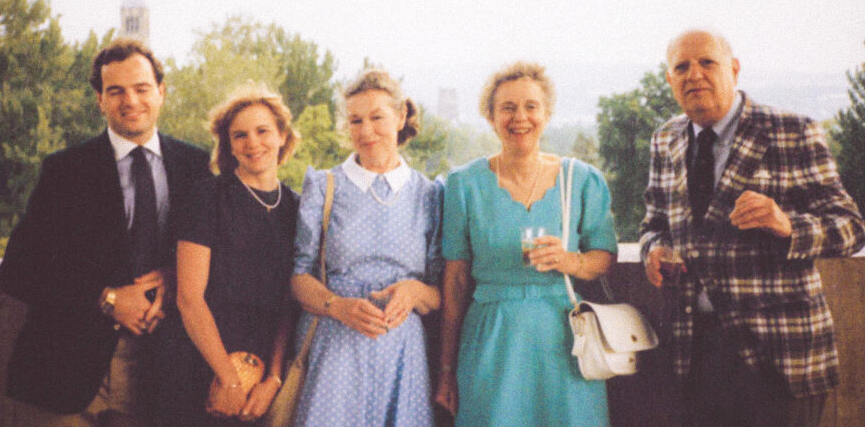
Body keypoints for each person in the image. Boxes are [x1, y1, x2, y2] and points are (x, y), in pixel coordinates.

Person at [639, 30, 865, 427]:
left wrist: (787, 224)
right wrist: (653, 250)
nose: (694, 74)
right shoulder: (665, 140)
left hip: (779, 356)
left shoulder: (791, 130)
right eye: (681, 67)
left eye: (706, 62)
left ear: (734, 68)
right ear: (670, 80)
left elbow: (851, 229)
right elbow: (653, 222)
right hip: (693, 353)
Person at [0, 37, 212, 426]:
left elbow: (222, 255)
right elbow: (17, 271)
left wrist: (178, 273)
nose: (130, 101)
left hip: (171, 367)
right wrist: (107, 297)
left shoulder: (196, 166)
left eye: (142, 88)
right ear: (99, 99)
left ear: (161, 92)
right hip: (80, 369)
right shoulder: (65, 171)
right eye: (116, 91)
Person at [435, 61, 618, 427]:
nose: (520, 117)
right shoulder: (464, 185)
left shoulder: (581, 181)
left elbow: (605, 256)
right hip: (492, 340)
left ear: (547, 114)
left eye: (531, 106)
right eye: (508, 107)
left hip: (566, 339)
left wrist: (571, 262)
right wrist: (445, 370)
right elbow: (455, 282)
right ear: (490, 117)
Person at [289, 69, 443, 427]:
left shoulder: (429, 194)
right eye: (355, 120)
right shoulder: (324, 186)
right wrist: (338, 307)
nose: (366, 131)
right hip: (335, 348)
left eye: (377, 117)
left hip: (403, 353)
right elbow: (299, 277)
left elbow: (439, 293)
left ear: (401, 116)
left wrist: (415, 290)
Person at [160, 86, 301, 426]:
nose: (253, 142)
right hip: (201, 365)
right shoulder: (206, 198)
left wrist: (274, 379)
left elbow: (288, 305)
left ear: (282, 136)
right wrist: (228, 379)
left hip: (263, 374)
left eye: (263, 131)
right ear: (229, 145)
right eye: (240, 135)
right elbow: (189, 299)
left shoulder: (297, 208)